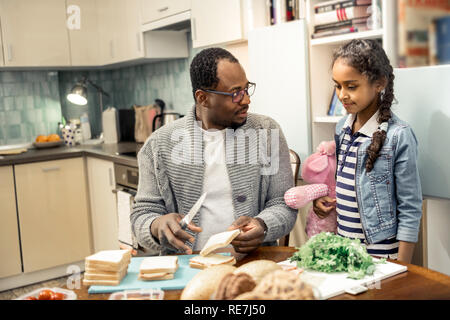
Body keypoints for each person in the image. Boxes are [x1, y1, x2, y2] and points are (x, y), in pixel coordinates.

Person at [131, 47, 297, 255]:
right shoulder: (158, 144)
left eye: (247, 89)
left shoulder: (266, 131)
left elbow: (283, 202)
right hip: (187, 268)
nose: (246, 100)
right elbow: (142, 215)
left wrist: (263, 225)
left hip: (253, 263)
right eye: (235, 93)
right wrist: (157, 225)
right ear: (203, 98)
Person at [313, 39, 422, 263]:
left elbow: (410, 208)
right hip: (345, 253)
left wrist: (402, 266)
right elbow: (351, 187)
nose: (342, 95)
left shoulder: (398, 136)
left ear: (379, 83)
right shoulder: (341, 128)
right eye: (337, 85)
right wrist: (329, 201)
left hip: (382, 259)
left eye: (351, 86)